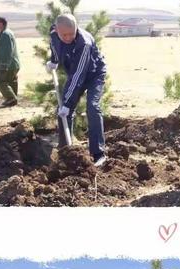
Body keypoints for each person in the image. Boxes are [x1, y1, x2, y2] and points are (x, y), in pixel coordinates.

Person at [46, 14, 108, 167]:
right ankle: (66, 150)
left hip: (94, 74)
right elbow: (54, 46)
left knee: (92, 107)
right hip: (76, 74)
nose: (67, 37)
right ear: (57, 30)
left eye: (71, 34)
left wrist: (67, 103)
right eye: (63, 35)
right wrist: (53, 60)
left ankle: (98, 153)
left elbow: (78, 75)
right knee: (63, 111)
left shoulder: (84, 43)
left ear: (76, 29)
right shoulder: (54, 34)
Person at [0, 17, 20, 107]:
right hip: (14, 64)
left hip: (9, 64)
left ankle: (11, 98)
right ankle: (13, 100)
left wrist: (4, 65)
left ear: (1, 24)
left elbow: (6, 51)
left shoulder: (5, 34)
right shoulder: (8, 32)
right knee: (11, 81)